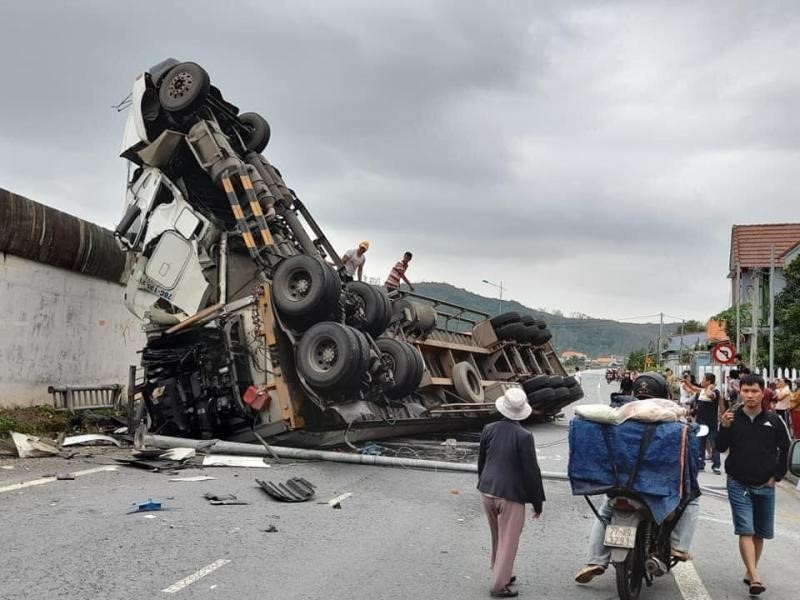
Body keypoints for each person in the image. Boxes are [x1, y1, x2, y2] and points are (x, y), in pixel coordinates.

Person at [574, 372, 701, 584]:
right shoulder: (673, 419)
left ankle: (595, 560)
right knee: (692, 498)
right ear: (663, 393)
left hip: (620, 485)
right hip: (656, 489)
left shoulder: (617, 417)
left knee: (606, 512)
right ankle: (679, 546)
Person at [716, 373, 791, 596]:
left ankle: (750, 570)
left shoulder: (774, 421)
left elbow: (786, 449)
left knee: (760, 532)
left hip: (765, 484)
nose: (750, 395)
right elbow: (720, 448)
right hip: (738, 483)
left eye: (754, 391)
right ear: (740, 392)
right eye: (745, 391)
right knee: (745, 530)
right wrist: (724, 427)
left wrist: (776, 477)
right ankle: (756, 577)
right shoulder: (732, 418)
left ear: (762, 393)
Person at [477, 388, 545, 598]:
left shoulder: (489, 428)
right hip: (510, 496)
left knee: (497, 535)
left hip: (487, 490)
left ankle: (502, 571)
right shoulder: (524, 436)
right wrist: (537, 502)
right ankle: (499, 585)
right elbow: (531, 472)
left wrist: (483, 483)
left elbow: (482, 461)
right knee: (509, 540)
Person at [694, 373, 723, 474]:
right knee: (700, 444)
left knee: (714, 444)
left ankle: (716, 466)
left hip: (711, 423)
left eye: (704, 379)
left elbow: (709, 395)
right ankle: (700, 464)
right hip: (700, 422)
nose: (702, 380)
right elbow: (697, 406)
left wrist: (710, 388)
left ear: (709, 381)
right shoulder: (701, 392)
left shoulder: (715, 392)